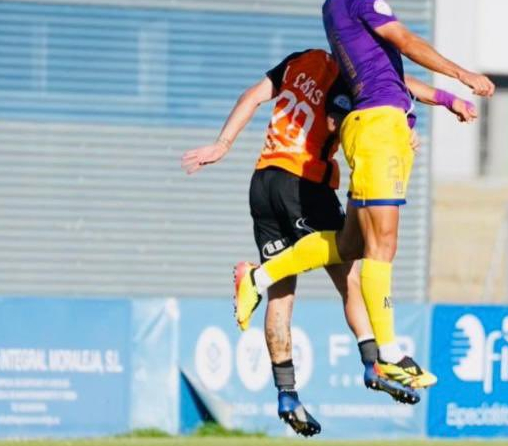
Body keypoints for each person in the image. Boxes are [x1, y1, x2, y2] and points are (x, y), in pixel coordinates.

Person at [233, 0, 495, 389]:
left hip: (373, 125)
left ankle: (262, 275)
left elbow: (389, 70)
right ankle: (390, 354)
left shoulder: (334, 5)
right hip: (379, 128)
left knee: (351, 243)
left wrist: (446, 99)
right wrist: (462, 74)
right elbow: (406, 41)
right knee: (383, 243)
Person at [182, 48, 475, 436]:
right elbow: (353, 114)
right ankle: (374, 363)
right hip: (305, 182)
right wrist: (397, 128)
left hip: (263, 180)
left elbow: (251, 96)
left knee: (281, 294)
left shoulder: (298, 61)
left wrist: (222, 144)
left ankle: (287, 395)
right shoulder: (351, 75)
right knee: (349, 270)